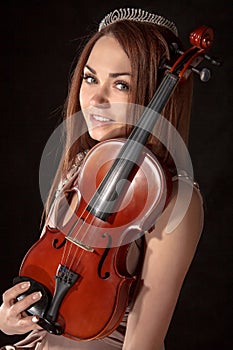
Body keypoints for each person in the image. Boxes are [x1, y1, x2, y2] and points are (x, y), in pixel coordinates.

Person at [0, 7, 204, 350]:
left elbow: (144, 345)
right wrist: (10, 319)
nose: (96, 99)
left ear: (157, 93)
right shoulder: (82, 165)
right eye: (91, 78)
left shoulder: (174, 200)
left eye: (121, 84)